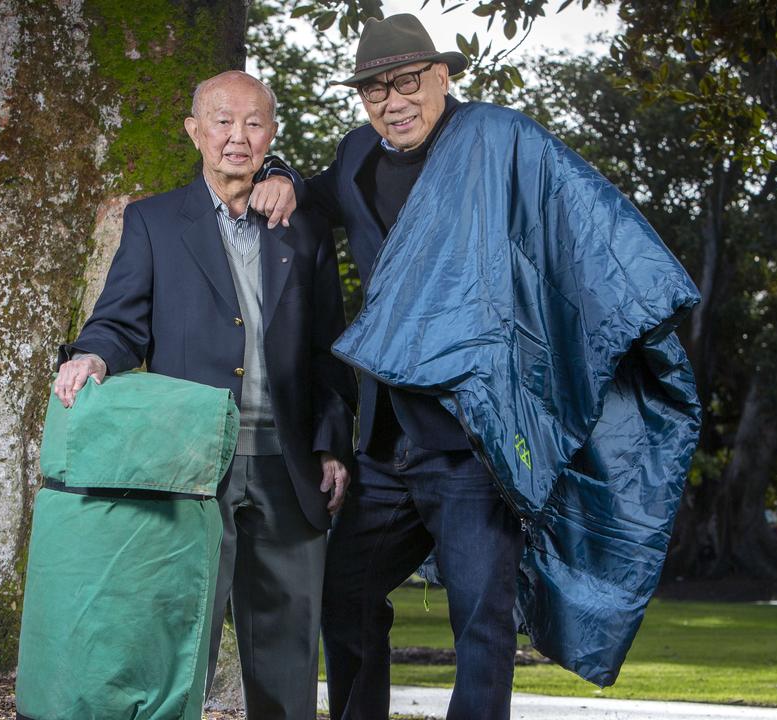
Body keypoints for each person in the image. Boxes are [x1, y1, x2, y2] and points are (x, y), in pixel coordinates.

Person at [251, 13, 702, 720]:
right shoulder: (357, 157)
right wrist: (276, 171)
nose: (393, 102)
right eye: (375, 90)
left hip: (473, 444)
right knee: (343, 593)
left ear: (443, 76)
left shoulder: (495, 138)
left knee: (482, 624)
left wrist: (642, 300)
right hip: (385, 447)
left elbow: (580, 221)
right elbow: (310, 192)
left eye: (406, 82)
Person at [54, 70, 357, 720]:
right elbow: (119, 320)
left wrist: (334, 445)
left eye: (253, 123)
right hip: (187, 468)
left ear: (271, 134)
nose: (237, 138)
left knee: (288, 658)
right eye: (223, 121)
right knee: (173, 649)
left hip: (289, 468)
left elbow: (329, 349)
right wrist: (92, 355)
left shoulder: (303, 230)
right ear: (195, 131)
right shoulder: (155, 222)